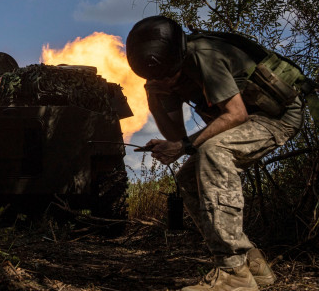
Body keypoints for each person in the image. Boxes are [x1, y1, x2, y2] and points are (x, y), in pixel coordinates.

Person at [126, 16, 304, 291]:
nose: (163, 80)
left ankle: (233, 272)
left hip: (277, 117)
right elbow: (176, 137)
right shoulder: (163, 76)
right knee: (188, 176)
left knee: (213, 150)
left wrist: (184, 146)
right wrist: (155, 98)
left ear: (179, 57)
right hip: (247, 120)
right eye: (155, 78)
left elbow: (236, 115)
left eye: (166, 75)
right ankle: (252, 263)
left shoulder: (203, 56)